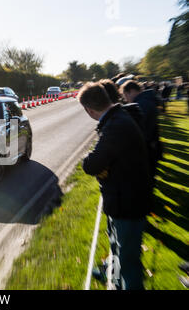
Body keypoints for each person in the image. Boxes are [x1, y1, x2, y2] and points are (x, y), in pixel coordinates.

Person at [78, 82, 152, 290]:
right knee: (120, 255)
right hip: (124, 198)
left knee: (128, 262)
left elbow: (92, 164)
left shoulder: (115, 126)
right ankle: (117, 285)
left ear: (89, 109)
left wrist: (97, 165)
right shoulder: (118, 118)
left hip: (127, 203)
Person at [120, 80, 162, 183]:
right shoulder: (146, 100)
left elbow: (140, 128)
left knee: (146, 180)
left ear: (131, 91)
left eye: (125, 96)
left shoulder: (141, 104)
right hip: (152, 144)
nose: (126, 100)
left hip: (147, 147)